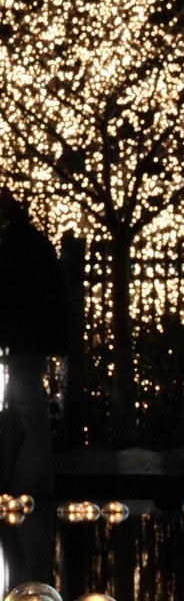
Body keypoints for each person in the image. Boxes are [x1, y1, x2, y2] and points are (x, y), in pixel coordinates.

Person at [0, 188, 69, 498]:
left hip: (24, 341)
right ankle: (25, 483)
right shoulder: (29, 243)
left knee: (28, 414)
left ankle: (22, 485)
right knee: (22, 411)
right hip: (31, 340)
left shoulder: (16, 247)